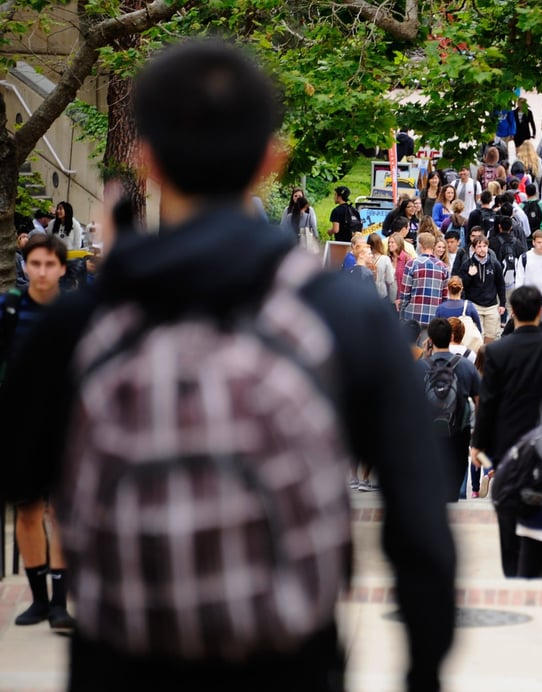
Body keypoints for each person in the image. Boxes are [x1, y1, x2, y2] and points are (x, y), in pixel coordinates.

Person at [0, 39, 456, 692]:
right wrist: (424, 672)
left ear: (147, 159)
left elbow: (21, 473)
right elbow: (421, 525)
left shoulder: (82, 323)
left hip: (121, 663)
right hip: (288, 666)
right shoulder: (341, 314)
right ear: (270, 159)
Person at [470, 285, 542, 578]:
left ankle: (518, 570)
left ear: (513, 312)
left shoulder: (496, 351)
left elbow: (488, 402)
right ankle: (537, 563)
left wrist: (478, 444)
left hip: (510, 447)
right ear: (541, 311)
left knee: (510, 511)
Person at [1, 234, 76, 633]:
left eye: (50, 264)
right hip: (22, 425)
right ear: (25, 265)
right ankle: (40, 601)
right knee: (28, 512)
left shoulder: (75, 312)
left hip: (67, 423)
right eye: (35, 264)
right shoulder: (9, 308)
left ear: (62, 268)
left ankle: (60, 604)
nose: (42, 272)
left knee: (60, 511)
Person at [422, 317, 481, 503]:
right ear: (451, 337)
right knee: (454, 483)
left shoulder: (420, 367)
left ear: (430, 339)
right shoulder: (466, 366)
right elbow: (480, 401)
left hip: (427, 433)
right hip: (458, 431)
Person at [457, 233, 506, 343]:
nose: (482, 249)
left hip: (492, 305)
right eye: (479, 246)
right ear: (474, 248)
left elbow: (500, 284)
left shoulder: (495, 264)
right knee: (477, 336)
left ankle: (486, 353)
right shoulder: (467, 264)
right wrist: (469, 275)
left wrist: (502, 303)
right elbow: (461, 286)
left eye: (484, 246)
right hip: (474, 305)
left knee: (491, 336)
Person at [399, 232, 449, 326]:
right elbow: (445, 296)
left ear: (420, 245)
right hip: (434, 317)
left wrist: (402, 313)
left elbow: (405, 293)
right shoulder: (443, 267)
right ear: (433, 246)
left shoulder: (411, 264)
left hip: (413, 315)